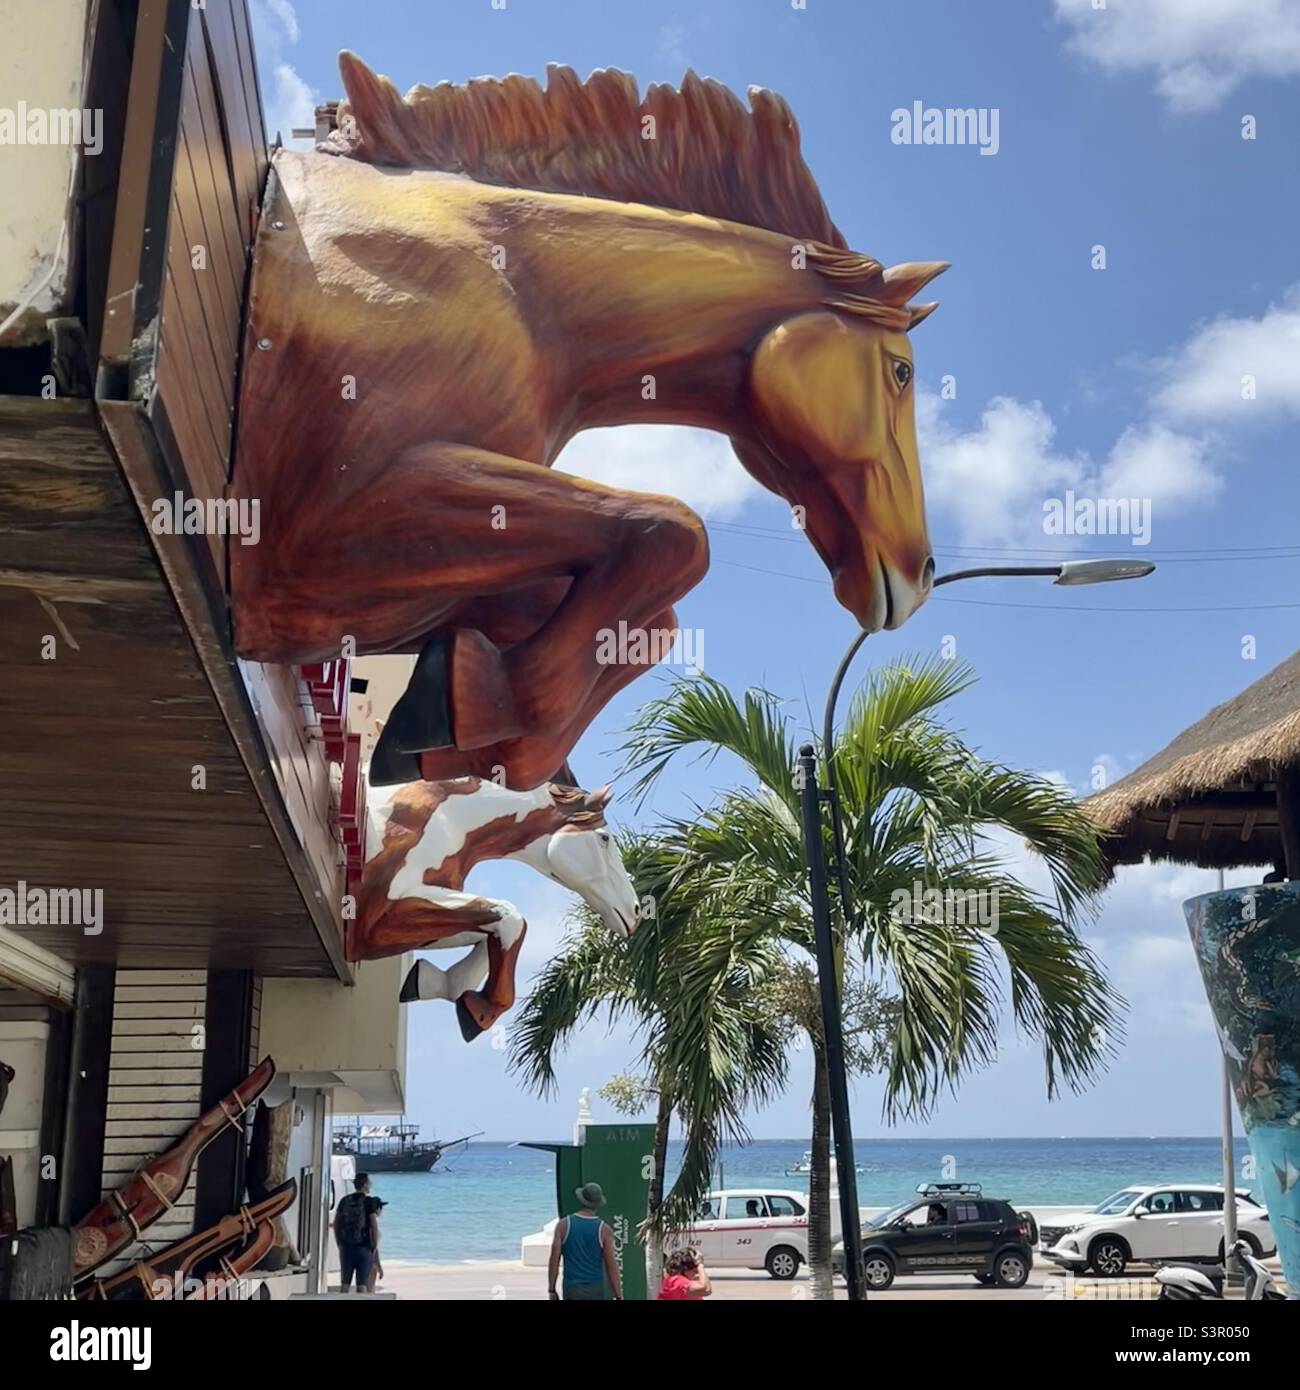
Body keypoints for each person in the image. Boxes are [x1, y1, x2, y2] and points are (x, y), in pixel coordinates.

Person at [548, 1182, 623, 1301]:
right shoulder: (604, 1230)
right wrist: (617, 1295)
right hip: (595, 1288)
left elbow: (554, 1260)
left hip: (571, 1288)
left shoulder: (564, 1225)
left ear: (581, 1200)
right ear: (597, 1204)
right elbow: (611, 1265)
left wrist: (552, 1289)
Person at [334, 1173, 376, 1292]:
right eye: (369, 1183)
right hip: (364, 1247)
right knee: (362, 1284)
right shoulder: (369, 1202)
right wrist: (374, 1245)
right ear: (364, 1185)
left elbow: (337, 1223)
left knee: (345, 1284)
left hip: (346, 1247)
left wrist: (339, 1242)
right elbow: (373, 1225)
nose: (370, 1185)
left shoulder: (344, 1200)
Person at [364, 1196, 386, 1293]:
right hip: (370, 1260)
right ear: (377, 1209)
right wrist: (379, 1266)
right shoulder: (372, 1225)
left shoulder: (364, 1223)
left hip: (363, 1257)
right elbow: (374, 1247)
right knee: (369, 1289)